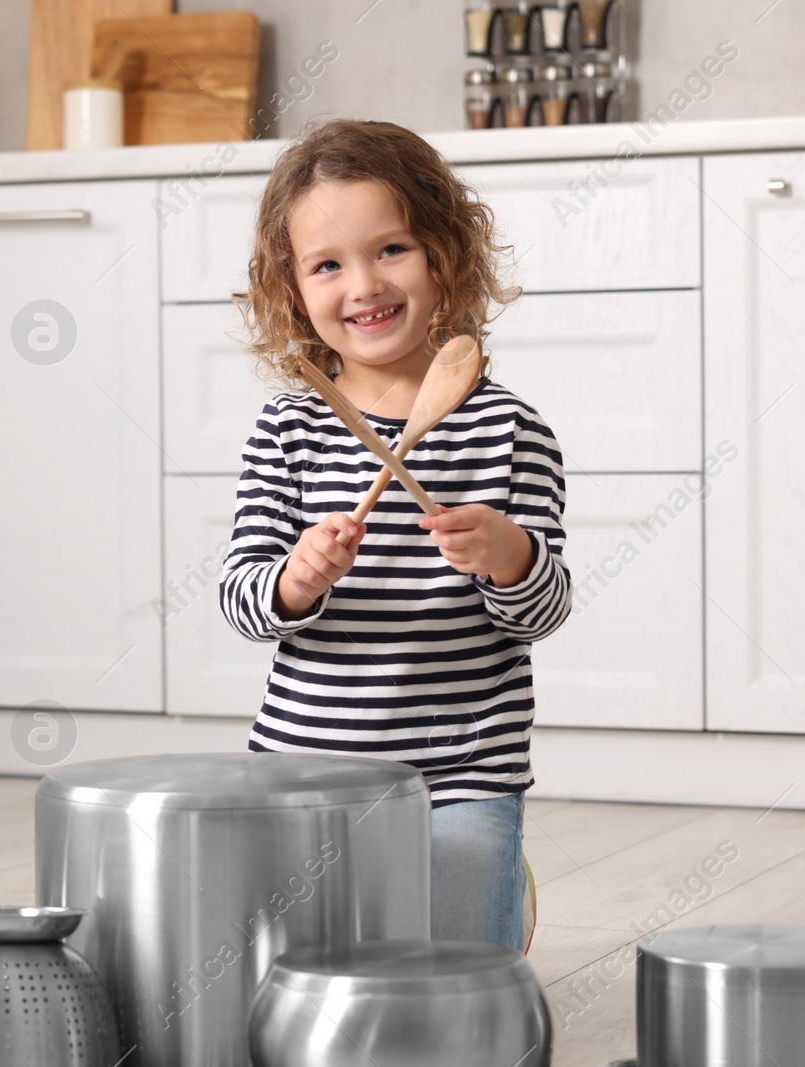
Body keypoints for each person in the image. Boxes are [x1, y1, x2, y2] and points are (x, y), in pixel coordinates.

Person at [218, 118, 572, 951]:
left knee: (453, 985)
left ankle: (496, 883)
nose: (364, 284)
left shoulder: (512, 432)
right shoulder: (288, 430)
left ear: (445, 255)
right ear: (291, 288)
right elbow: (241, 598)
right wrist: (295, 578)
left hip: (464, 773)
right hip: (307, 772)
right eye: (328, 264)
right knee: (294, 975)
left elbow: (543, 609)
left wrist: (510, 557)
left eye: (392, 249)